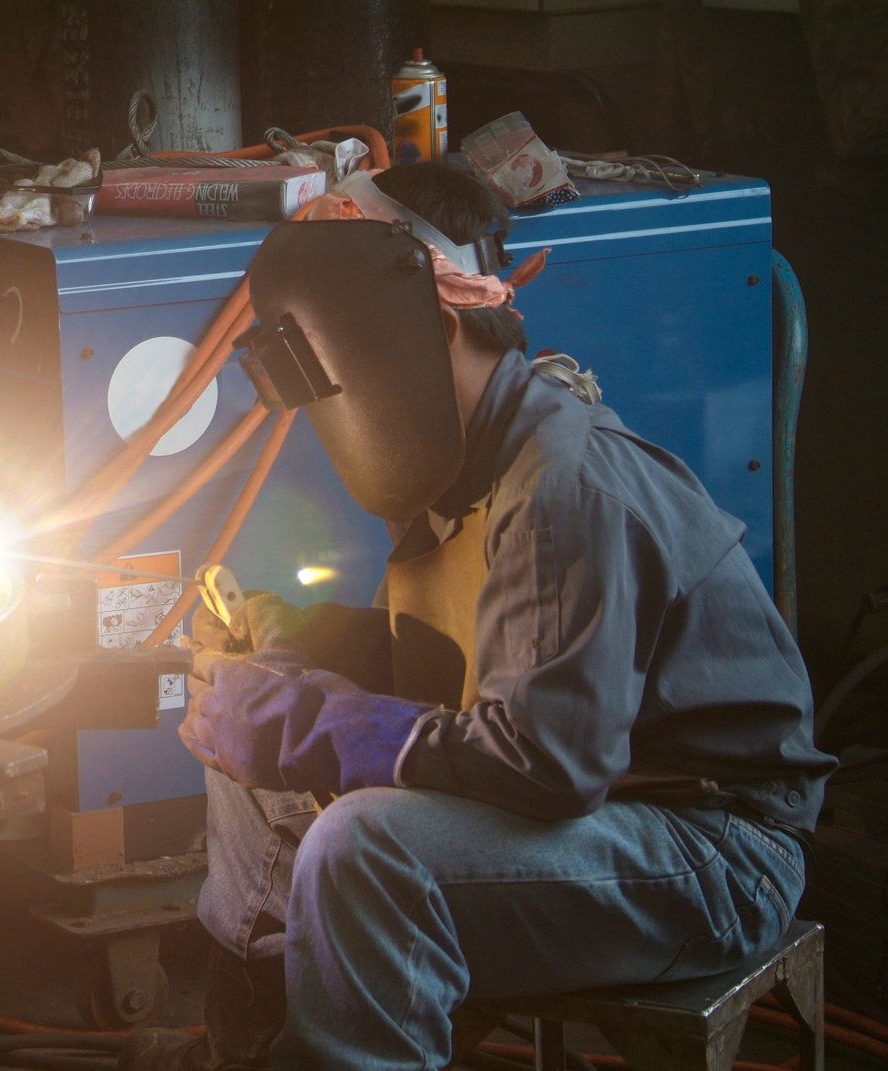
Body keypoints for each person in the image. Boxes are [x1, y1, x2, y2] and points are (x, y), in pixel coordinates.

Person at [122, 163, 836, 1071]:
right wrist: (293, 641)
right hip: (606, 805)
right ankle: (258, 1049)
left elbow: (547, 761)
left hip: (714, 847)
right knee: (250, 750)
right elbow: (453, 667)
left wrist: (313, 720)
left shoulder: (561, 485)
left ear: (439, 324)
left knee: (363, 844)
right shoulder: (461, 475)